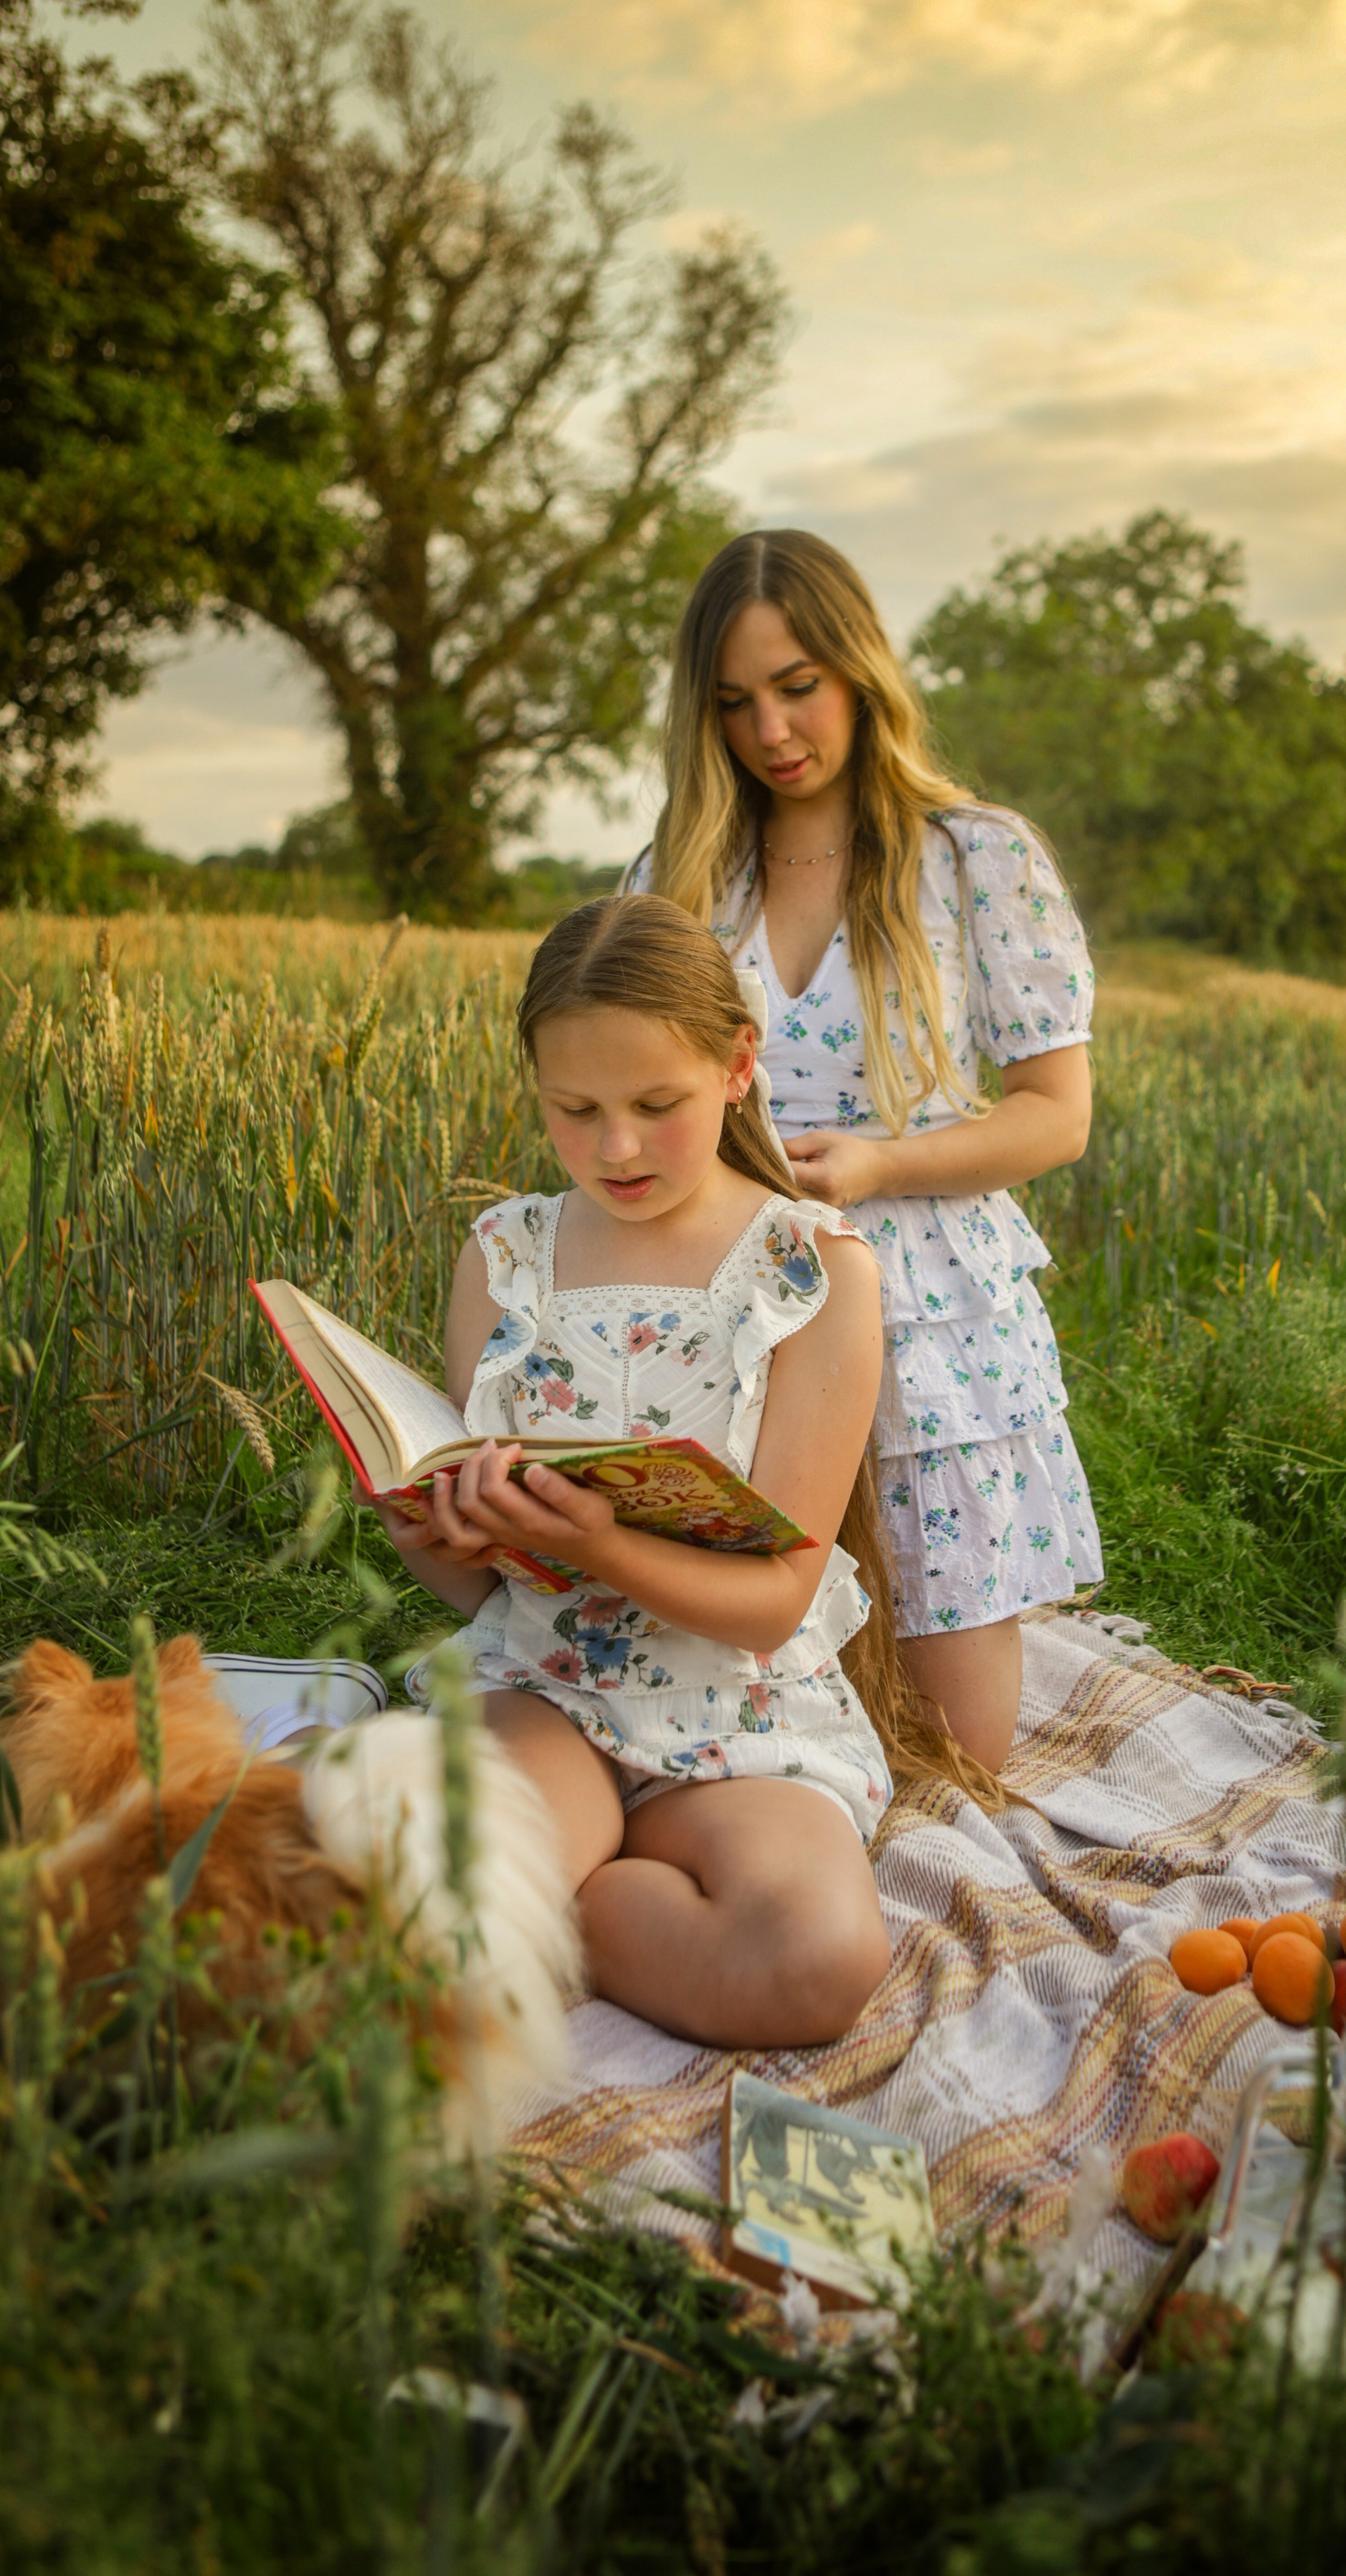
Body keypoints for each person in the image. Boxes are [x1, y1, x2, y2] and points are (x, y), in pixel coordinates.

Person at [374, 893, 982, 2050]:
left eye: (658, 1106)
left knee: (817, 1964)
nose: (616, 1148)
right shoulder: (506, 1255)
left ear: (738, 1066)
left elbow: (775, 1604)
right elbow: (490, 1595)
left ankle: (577, 1904)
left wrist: (598, 1543)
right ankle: (549, 1872)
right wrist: (435, 1532)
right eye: (576, 1109)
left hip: (740, 1710)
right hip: (543, 1686)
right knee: (424, 1912)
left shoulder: (812, 1271)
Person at [630, 529, 1102, 1774]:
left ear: (859, 672)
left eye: (798, 687)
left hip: (930, 1308)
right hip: (730, 1290)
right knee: (738, 1706)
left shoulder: (974, 858)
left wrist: (883, 1169)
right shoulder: (679, 874)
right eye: (733, 702)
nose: (771, 730)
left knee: (958, 1755)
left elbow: (1056, 1112)